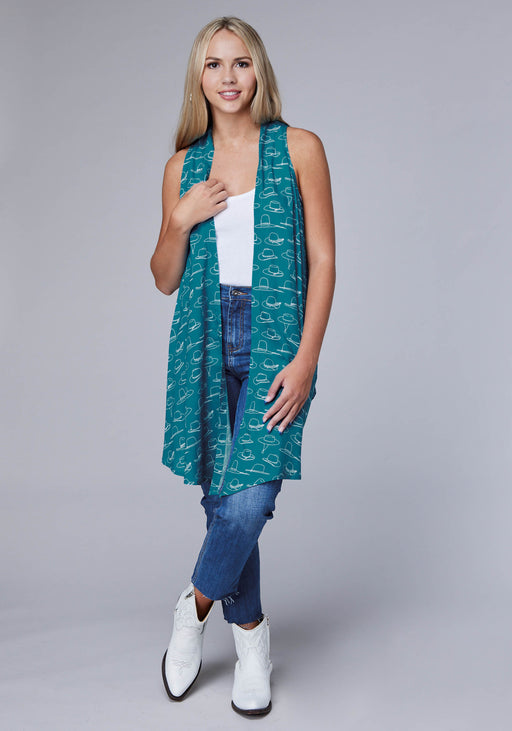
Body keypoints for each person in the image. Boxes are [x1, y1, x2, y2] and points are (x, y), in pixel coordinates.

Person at [150, 15, 336, 718]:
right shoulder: (183, 168)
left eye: (241, 63)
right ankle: (252, 637)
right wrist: (180, 219)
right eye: (214, 65)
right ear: (198, 79)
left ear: (259, 71)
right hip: (203, 339)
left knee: (251, 500)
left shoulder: (301, 149)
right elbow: (165, 278)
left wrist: (307, 356)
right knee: (226, 504)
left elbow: (324, 260)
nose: (228, 77)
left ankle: (193, 607)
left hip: (275, 340)